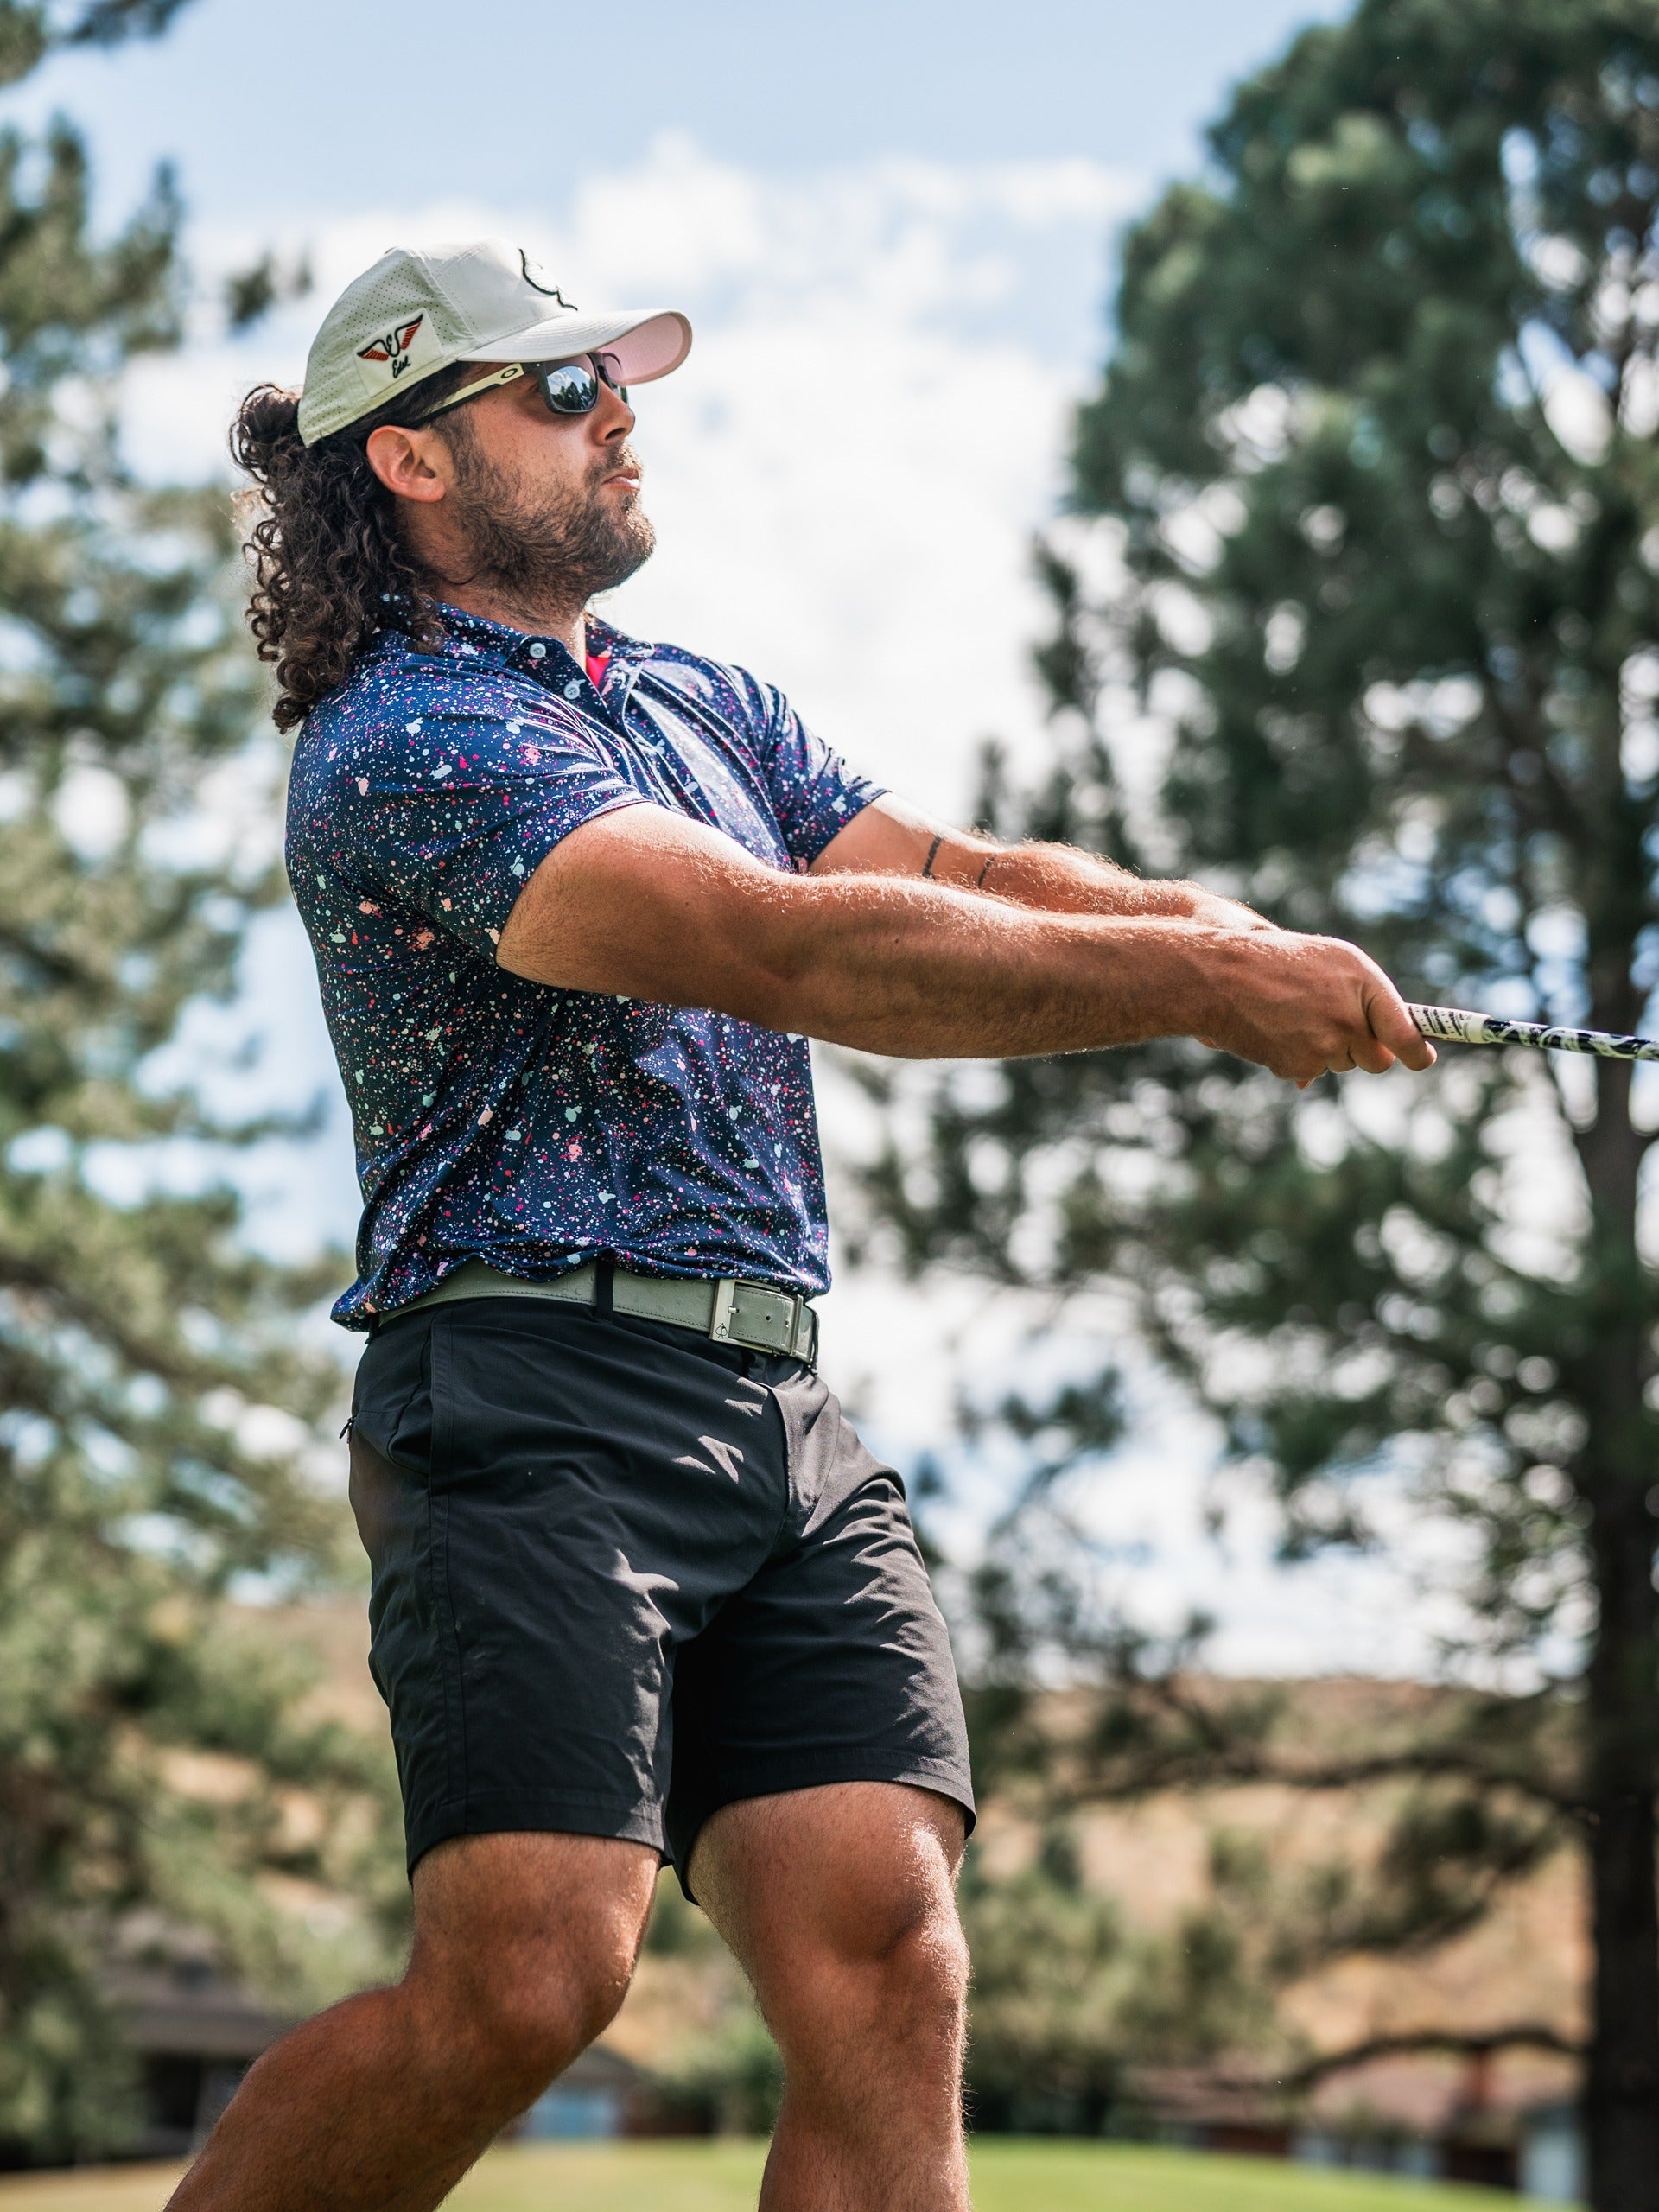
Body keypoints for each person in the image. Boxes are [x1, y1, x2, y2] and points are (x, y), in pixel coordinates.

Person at [170, 238, 1433, 2212]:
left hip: (777, 1407)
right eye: (562, 390)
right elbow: (781, 941)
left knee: (889, 1948)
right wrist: (1205, 993)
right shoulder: (405, 739)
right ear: (410, 460)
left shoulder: (697, 697)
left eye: (618, 383)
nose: (621, 418)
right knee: (531, 1980)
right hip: (529, 1398)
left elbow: (960, 871)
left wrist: (1221, 928)